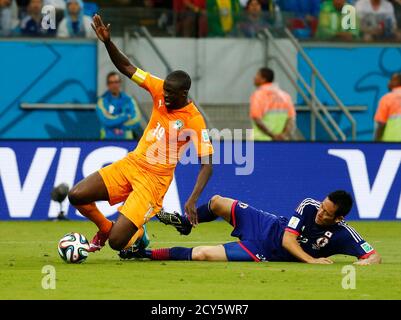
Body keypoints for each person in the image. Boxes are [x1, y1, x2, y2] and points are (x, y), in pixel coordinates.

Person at [68, 14, 214, 254]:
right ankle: (105, 227)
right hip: (132, 163)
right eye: (164, 90)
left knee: (118, 243)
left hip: (154, 181)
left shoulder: (194, 120)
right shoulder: (158, 88)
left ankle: (138, 233)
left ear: (184, 93)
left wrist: (192, 198)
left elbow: (207, 164)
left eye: (170, 93)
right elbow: (127, 67)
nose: (164, 96)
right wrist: (107, 42)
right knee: (77, 195)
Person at [122, 191, 382, 266]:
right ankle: (186, 224)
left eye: (327, 213)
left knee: (202, 254)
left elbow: (373, 255)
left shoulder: (343, 234)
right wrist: (311, 261)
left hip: (262, 251)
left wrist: (364, 264)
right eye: (323, 206)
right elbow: (289, 242)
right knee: (216, 202)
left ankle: (143, 254)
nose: (321, 212)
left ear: (339, 218)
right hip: (265, 225)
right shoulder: (309, 205)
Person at [250, 67, 296, 141]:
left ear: (263, 79)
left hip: (261, 140)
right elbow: (291, 120)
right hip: (281, 141)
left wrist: (273, 135)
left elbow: (257, 119)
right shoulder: (285, 96)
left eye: (257, 75)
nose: (254, 77)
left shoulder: (258, 95)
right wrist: (283, 135)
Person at [96, 72, 144, 140]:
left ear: (120, 83)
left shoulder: (129, 100)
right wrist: (126, 116)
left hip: (127, 140)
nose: (114, 85)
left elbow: (136, 119)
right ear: (107, 84)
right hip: (106, 140)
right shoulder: (102, 101)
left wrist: (116, 123)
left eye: (116, 82)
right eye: (111, 82)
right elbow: (106, 121)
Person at [374, 73, 401, 142]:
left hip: (392, 142)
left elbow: (381, 123)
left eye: (391, 80)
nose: (388, 82)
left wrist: (375, 142)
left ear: (397, 81)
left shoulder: (387, 98)